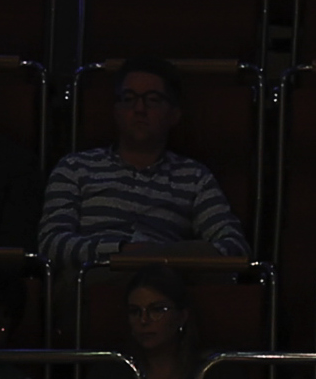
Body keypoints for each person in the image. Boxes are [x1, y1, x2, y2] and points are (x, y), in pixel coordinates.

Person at [38, 56, 247, 273]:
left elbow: (234, 246)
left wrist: (166, 256)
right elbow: (51, 244)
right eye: (129, 99)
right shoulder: (74, 167)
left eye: (153, 99)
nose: (139, 108)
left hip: (167, 281)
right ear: (115, 110)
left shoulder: (194, 176)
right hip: (95, 279)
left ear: (174, 114)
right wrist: (122, 251)